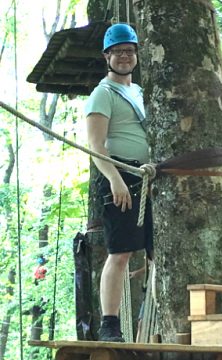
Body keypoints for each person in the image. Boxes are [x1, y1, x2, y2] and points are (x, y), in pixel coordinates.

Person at [86, 23, 153, 343]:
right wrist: (115, 179)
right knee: (120, 253)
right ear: (107, 57)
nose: (125, 57)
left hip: (148, 177)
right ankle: (109, 325)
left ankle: (149, 325)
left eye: (130, 51)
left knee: (156, 253)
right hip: (121, 177)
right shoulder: (103, 93)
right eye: (118, 52)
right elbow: (96, 146)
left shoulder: (138, 92)